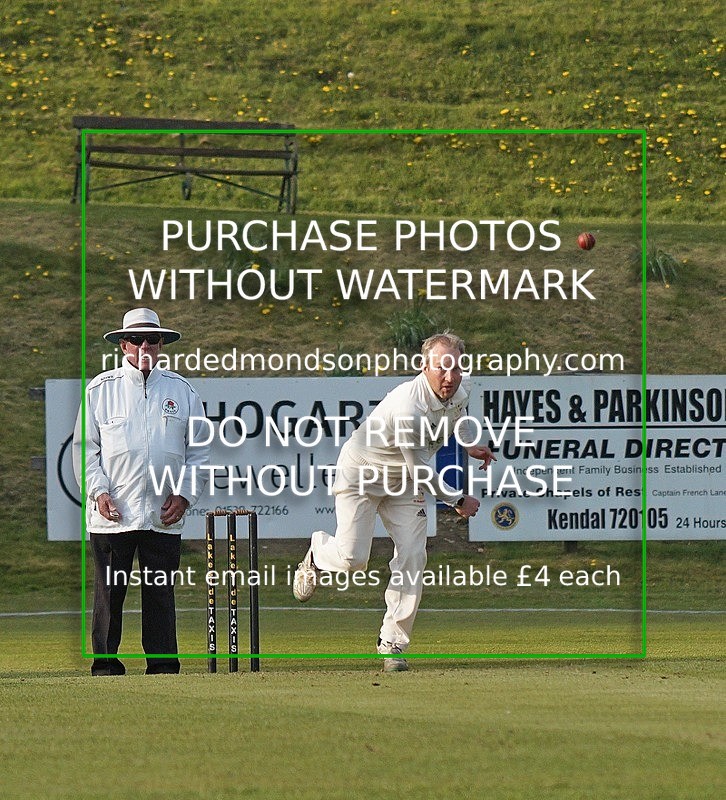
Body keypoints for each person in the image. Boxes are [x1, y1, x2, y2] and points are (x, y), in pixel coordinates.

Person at [293, 331, 494, 672]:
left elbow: (455, 416)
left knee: (414, 554)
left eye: (456, 368)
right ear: (423, 366)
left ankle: (393, 643)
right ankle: (317, 552)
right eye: (441, 368)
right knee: (353, 559)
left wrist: (468, 445)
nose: (449, 377)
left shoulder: (461, 388)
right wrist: (457, 500)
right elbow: (420, 468)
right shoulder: (407, 407)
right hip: (363, 473)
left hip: (402, 482)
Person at [73, 308, 209, 675]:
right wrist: (98, 492)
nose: (144, 345)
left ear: (161, 344)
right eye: (136, 339)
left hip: (162, 512)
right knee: (109, 594)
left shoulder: (182, 391)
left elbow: (200, 453)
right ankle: (105, 663)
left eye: (151, 339)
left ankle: (163, 665)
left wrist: (184, 497)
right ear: (123, 345)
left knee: (160, 595)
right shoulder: (100, 390)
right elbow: (85, 450)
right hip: (112, 514)